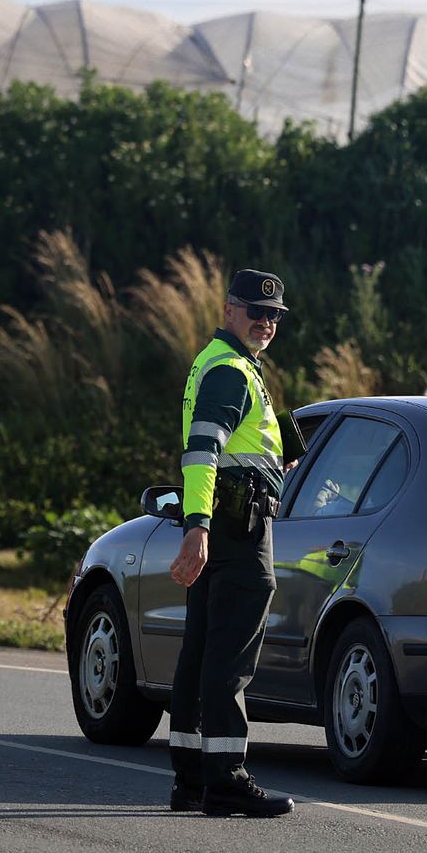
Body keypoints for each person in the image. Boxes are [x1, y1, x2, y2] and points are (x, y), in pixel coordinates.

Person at [167, 269, 296, 818]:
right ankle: (226, 777)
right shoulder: (230, 371)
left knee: (201, 648)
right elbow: (201, 452)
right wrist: (196, 525)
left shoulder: (226, 364)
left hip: (226, 521)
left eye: (273, 316)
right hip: (236, 528)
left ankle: (193, 779)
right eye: (254, 311)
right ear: (228, 310)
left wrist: (274, 461)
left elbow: (232, 449)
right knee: (229, 654)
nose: (265, 323)